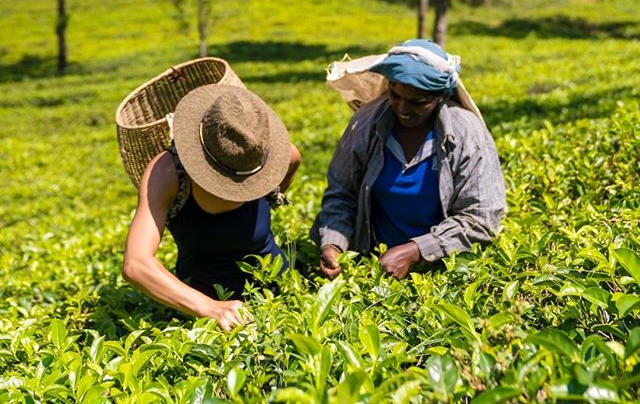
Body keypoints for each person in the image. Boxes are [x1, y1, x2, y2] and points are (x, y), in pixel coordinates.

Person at [313, 39, 506, 281]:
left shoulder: (466, 134)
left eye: (418, 102)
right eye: (395, 95)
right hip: (375, 267)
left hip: (446, 272)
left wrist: (417, 251)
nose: (403, 109)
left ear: (440, 97)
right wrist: (334, 245)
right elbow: (342, 194)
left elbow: (481, 218)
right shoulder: (366, 124)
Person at [123, 84, 301, 331]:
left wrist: (268, 192)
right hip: (203, 309)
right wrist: (210, 307)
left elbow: (292, 161)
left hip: (280, 293)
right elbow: (137, 264)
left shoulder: (271, 156)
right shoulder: (167, 173)